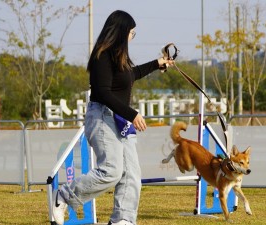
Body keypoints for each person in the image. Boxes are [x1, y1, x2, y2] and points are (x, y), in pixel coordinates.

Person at [52, 10, 174, 225]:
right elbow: (102, 92)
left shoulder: (120, 57)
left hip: (120, 120)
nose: (131, 37)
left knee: (131, 175)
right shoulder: (102, 55)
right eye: (131, 33)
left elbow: (131, 75)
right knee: (111, 171)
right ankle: (64, 196)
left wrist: (157, 64)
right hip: (102, 117)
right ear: (121, 31)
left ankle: (123, 220)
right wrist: (132, 113)